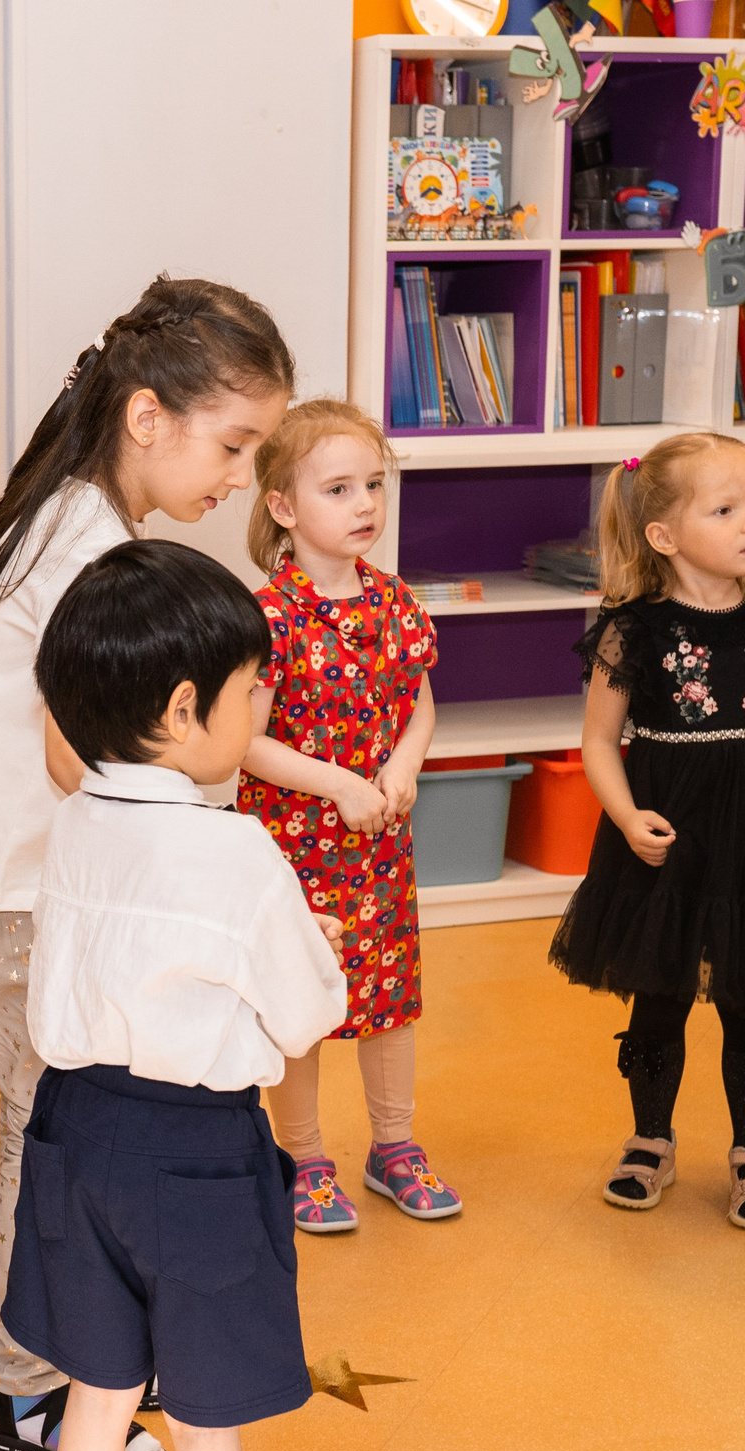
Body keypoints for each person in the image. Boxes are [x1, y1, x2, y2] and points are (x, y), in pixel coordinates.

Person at [0, 275, 292, 1451]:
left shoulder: (73, 509)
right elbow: (86, 755)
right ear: (147, 419)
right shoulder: (89, 549)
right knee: (47, 1134)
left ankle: (72, 1355)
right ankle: (22, 1389)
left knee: (54, 1125)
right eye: (233, 444)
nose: (237, 476)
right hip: (15, 890)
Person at [2, 539, 346, 1451]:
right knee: (203, 1422)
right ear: (185, 707)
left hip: (72, 1131)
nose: (263, 712)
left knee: (97, 1394)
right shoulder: (234, 848)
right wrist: (320, 956)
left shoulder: (77, 824)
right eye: (254, 695)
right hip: (194, 1151)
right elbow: (303, 1013)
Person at [549, 433, 745, 1229]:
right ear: (664, 534)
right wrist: (624, 817)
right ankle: (650, 1137)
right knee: (659, 995)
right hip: (667, 839)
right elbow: (596, 741)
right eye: (726, 509)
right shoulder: (633, 627)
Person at [236, 399, 456, 1233]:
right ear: (284, 508)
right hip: (295, 852)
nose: (365, 504)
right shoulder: (269, 616)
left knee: (388, 998)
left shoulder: (395, 603)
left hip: (380, 853)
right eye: (339, 488)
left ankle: (393, 1145)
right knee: (306, 1002)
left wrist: (401, 764)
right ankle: (302, 1156)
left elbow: (420, 708)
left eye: (374, 484)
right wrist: (337, 783)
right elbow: (245, 745)